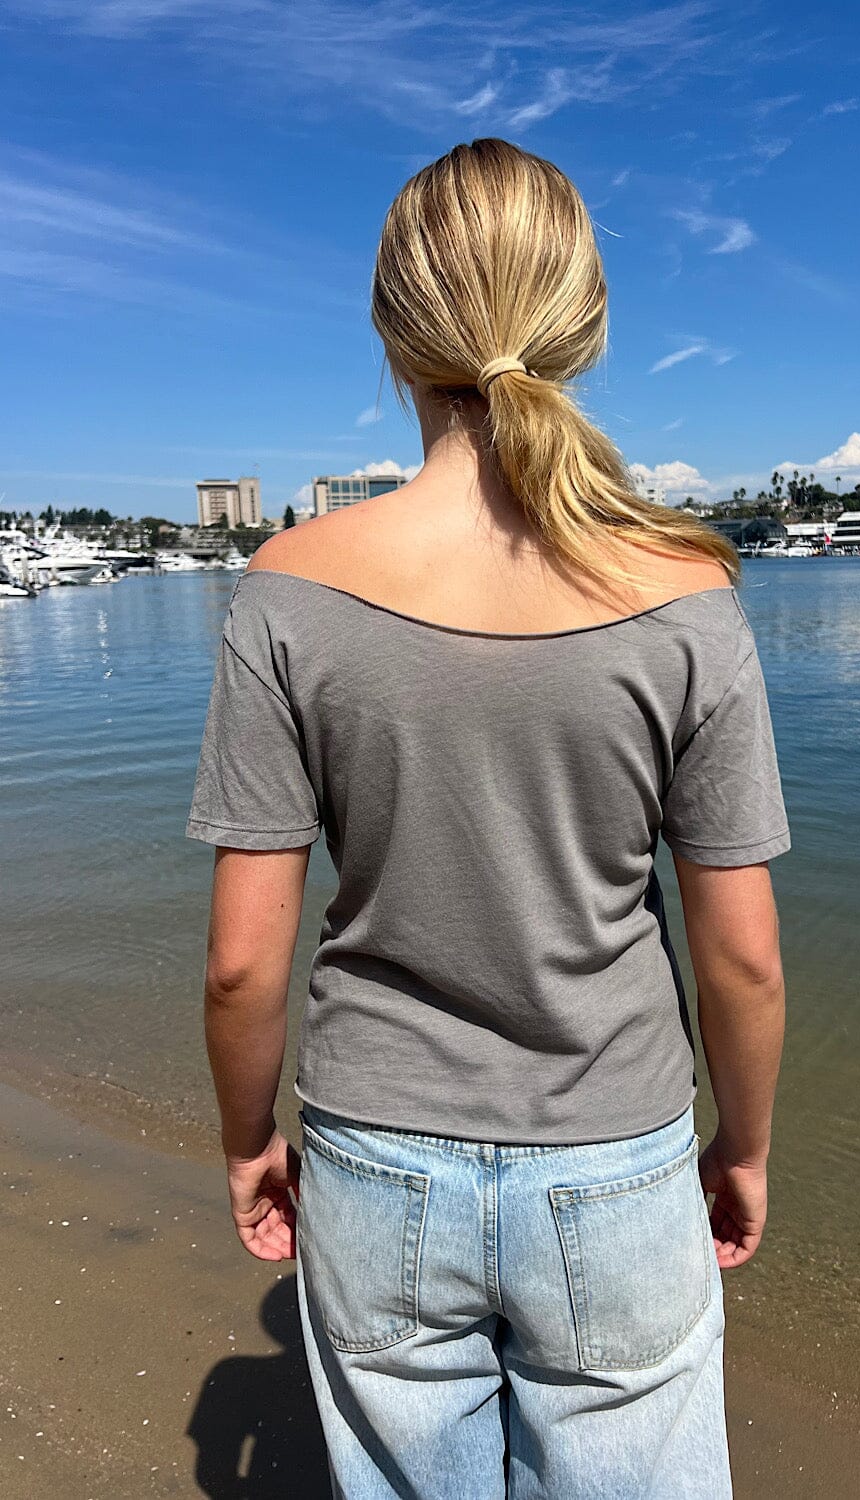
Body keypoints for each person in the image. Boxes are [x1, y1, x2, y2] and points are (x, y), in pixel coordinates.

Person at [186, 137, 790, 1499]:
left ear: (394, 334)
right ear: (585, 325)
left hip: (373, 1150)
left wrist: (246, 1141)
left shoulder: (285, 589)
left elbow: (239, 964)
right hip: (618, 1156)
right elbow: (744, 959)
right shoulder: (687, 596)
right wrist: (743, 1146)